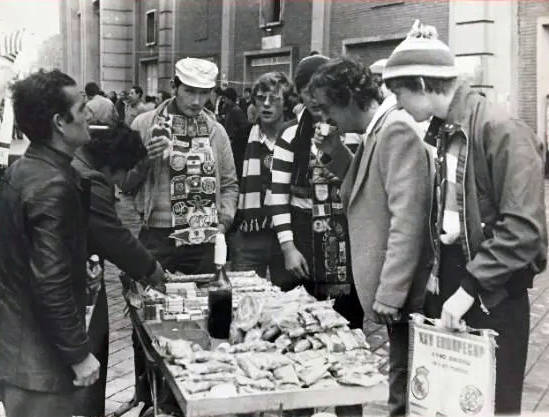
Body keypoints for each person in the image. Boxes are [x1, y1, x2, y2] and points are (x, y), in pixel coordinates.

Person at [383, 20, 547, 415]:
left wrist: (469, 289)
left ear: (422, 85)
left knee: (493, 405)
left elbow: (524, 229)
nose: (396, 105)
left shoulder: (502, 129)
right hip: (459, 282)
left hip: (494, 293)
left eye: (399, 93)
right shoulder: (443, 132)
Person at [309, 56, 432, 417]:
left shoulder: (395, 130)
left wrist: (391, 294)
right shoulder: (376, 130)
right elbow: (362, 189)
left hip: (404, 291)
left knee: (405, 388)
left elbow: (407, 219)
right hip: (390, 288)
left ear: (348, 98)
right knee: (400, 382)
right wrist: (334, 152)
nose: (327, 117)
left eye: (328, 107)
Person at [120, 57, 238, 413]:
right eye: (190, 92)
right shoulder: (144, 124)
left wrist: (225, 220)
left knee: (203, 318)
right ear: (174, 87)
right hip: (157, 236)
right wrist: (145, 160)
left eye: (204, 94)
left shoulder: (215, 131)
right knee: (148, 320)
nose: (197, 101)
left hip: (203, 241)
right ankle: (148, 396)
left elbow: (230, 184)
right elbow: (124, 184)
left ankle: (195, 395)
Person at [0, 69, 100, 417]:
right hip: (37, 366)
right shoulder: (51, 185)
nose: (90, 114)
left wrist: (77, 262)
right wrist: (78, 354)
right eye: (83, 106)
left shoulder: (27, 168)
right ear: (60, 121)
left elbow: (26, 256)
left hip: (22, 355)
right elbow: (49, 281)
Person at [71, 124, 167, 417]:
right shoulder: (90, 180)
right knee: (90, 353)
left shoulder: (75, 163)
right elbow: (115, 238)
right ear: (115, 166)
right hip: (73, 287)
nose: (119, 185)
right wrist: (154, 271)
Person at [268, 54, 363, 328]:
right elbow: (278, 195)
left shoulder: (352, 133)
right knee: (297, 321)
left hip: (342, 236)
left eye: (317, 90)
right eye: (304, 91)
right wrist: (288, 247)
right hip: (301, 235)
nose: (312, 99)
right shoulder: (289, 136)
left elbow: (360, 186)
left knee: (345, 320)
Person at [230, 72, 294, 288]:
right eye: (260, 98)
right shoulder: (241, 137)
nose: (266, 105)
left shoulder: (297, 138)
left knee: (289, 299)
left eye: (274, 98)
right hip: (248, 234)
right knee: (246, 297)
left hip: (288, 235)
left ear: (286, 103)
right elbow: (232, 183)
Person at [222, 86, 252, 179]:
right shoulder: (230, 109)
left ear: (230, 99)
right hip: (231, 142)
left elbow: (244, 127)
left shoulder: (236, 111)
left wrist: (234, 137)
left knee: (236, 165)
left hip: (236, 145)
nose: (224, 100)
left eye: (225, 98)